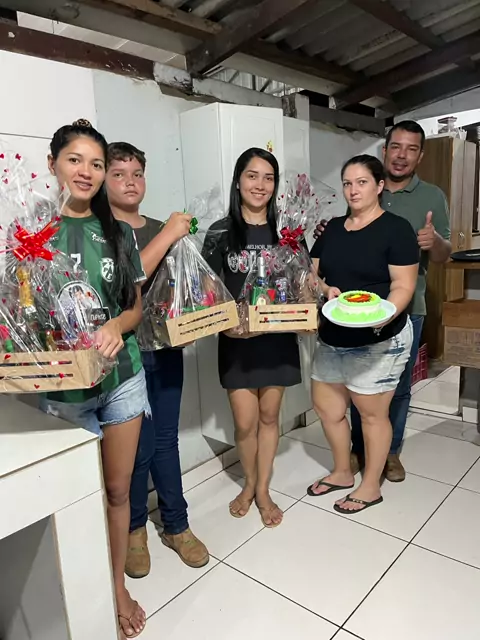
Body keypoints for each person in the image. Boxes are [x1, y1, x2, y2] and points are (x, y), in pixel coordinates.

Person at [39, 121, 148, 639]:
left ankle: (116, 585)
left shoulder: (118, 233)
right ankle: (80, 594)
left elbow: (135, 309)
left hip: (122, 379)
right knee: (76, 499)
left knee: (118, 490)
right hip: (65, 389)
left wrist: (114, 326)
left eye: (96, 164)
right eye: (75, 160)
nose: (86, 171)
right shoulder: (30, 236)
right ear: (53, 164)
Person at [315, 121, 451, 482]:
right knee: (347, 397)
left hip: (397, 317)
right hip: (340, 325)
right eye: (348, 183)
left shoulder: (423, 204)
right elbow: (320, 266)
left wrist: (435, 241)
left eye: (411, 148)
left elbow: (435, 261)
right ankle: (355, 457)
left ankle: (386, 459)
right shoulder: (341, 218)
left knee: (391, 393)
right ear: (385, 149)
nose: (353, 189)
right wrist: (319, 283)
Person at [104, 141, 209, 577]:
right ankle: (133, 530)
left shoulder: (160, 227)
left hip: (166, 349)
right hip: (125, 357)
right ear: (104, 181)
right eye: (118, 174)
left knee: (166, 439)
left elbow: (182, 285)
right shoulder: (102, 231)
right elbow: (128, 279)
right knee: (136, 449)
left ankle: (176, 524)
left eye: (137, 174)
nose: (130, 182)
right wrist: (169, 234)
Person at [308, 154, 419, 513]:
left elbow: (403, 285)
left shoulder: (396, 229)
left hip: (379, 338)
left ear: (379, 186)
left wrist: (384, 316)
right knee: (327, 408)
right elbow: (313, 274)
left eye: (362, 182)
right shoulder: (332, 229)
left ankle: (371, 485)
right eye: (347, 183)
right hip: (332, 335)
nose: (353, 190)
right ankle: (343, 471)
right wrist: (325, 290)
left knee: (372, 415)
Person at [203, 148, 301, 528]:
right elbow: (206, 289)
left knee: (269, 416)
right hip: (237, 341)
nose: (260, 185)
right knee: (245, 423)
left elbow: (303, 281)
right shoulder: (220, 232)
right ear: (238, 181)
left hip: (277, 340)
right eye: (252, 175)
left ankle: (261, 490)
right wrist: (217, 319)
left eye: (268, 177)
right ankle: (249, 481)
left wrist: (317, 290)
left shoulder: (288, 232)